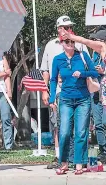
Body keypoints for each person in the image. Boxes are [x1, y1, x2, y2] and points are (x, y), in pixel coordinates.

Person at [40, 15, 89, 169]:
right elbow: (46, 71)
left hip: (79, 91)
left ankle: (77, 159)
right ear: (59, 28)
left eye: (70, 27)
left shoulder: (79, 43)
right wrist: (45, 91)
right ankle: (59, 156)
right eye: (65, 27)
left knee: (79, 128)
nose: (68, 29)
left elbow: (88, 66)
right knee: (59, 126)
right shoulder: (50, 45)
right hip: (59, 92)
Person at [49, 34, 98, 175]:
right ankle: (63, 163)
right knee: (64, 132)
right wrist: (52, 97)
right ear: (61, 43)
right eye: (67, 41)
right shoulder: (57, 59)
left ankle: (78, 164)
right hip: (65, 99)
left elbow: (95, 72)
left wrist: (82, 73)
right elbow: (53, 79)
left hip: (83, 99)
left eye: (72, 41)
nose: (70, 43)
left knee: (81, 132)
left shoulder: (82, 56)